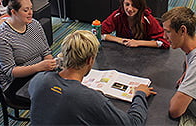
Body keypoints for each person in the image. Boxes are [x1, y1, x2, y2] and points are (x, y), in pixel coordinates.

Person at [28, 30, 156, 125]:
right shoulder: (90, 99)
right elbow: (133, 123)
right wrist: (139, 94)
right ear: (90, 60)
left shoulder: (39, 80)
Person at [0, 0, 56, 105]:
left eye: (31, 8)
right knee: (54, 98)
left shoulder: (34, 24)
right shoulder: (1, 35)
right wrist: (38, 67)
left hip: (40, 73)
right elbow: (11, 71)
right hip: (16, 84)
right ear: (14, 12)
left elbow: (46, 51)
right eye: (26, 10)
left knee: (66, 88)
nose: (31, 13)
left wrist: (49, 65)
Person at [102, 0, 170, 49]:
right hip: (122, 53)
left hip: (143, 55)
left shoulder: (147, 18)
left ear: (140, 6)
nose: (130, 9)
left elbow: (165, 42)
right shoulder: (118, 15)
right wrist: (120, 40)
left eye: (134, 5)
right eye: (127, 4)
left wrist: (138, 43)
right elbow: (99, 33)